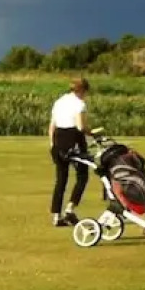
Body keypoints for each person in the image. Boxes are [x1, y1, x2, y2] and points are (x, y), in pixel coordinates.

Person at [48, 77, 92, 227]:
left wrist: (52, 144)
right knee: (82, 176)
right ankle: (70, 209)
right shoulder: (79, 104)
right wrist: (92, 132)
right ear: (82, 90)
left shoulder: (59, 101)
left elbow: (52, 125)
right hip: (74, 140)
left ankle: (56, 216)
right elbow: (80, 127)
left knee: (61, 180)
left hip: (58, 139)